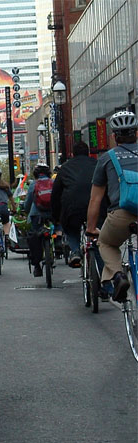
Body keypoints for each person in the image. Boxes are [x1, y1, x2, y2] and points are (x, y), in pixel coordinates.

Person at [87, 110, 138, 302]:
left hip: (121, 213)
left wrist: (91, 228)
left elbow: (95, 200)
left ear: (114, 137)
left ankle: (118, 276)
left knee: (106, 243)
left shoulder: (107, 158)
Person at [52, 141, 106, 268]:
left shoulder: (65, 168)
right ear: (88, 153)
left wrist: (56, 218)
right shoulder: (98, 164)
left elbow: (55, 195)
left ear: (72, 154)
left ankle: (75, 250)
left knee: (71, 230)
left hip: (72, 209)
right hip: (97, 207)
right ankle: (106, 280)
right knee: (97, 238)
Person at [24, 163, 52, 277]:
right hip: (52, 213)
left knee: (35, 236)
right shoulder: (53, 183)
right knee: (58, 224)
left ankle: (37, 266)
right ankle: (59, 239)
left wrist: (26, 211)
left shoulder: (33, 184)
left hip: (37, 214)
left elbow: (28, 202)